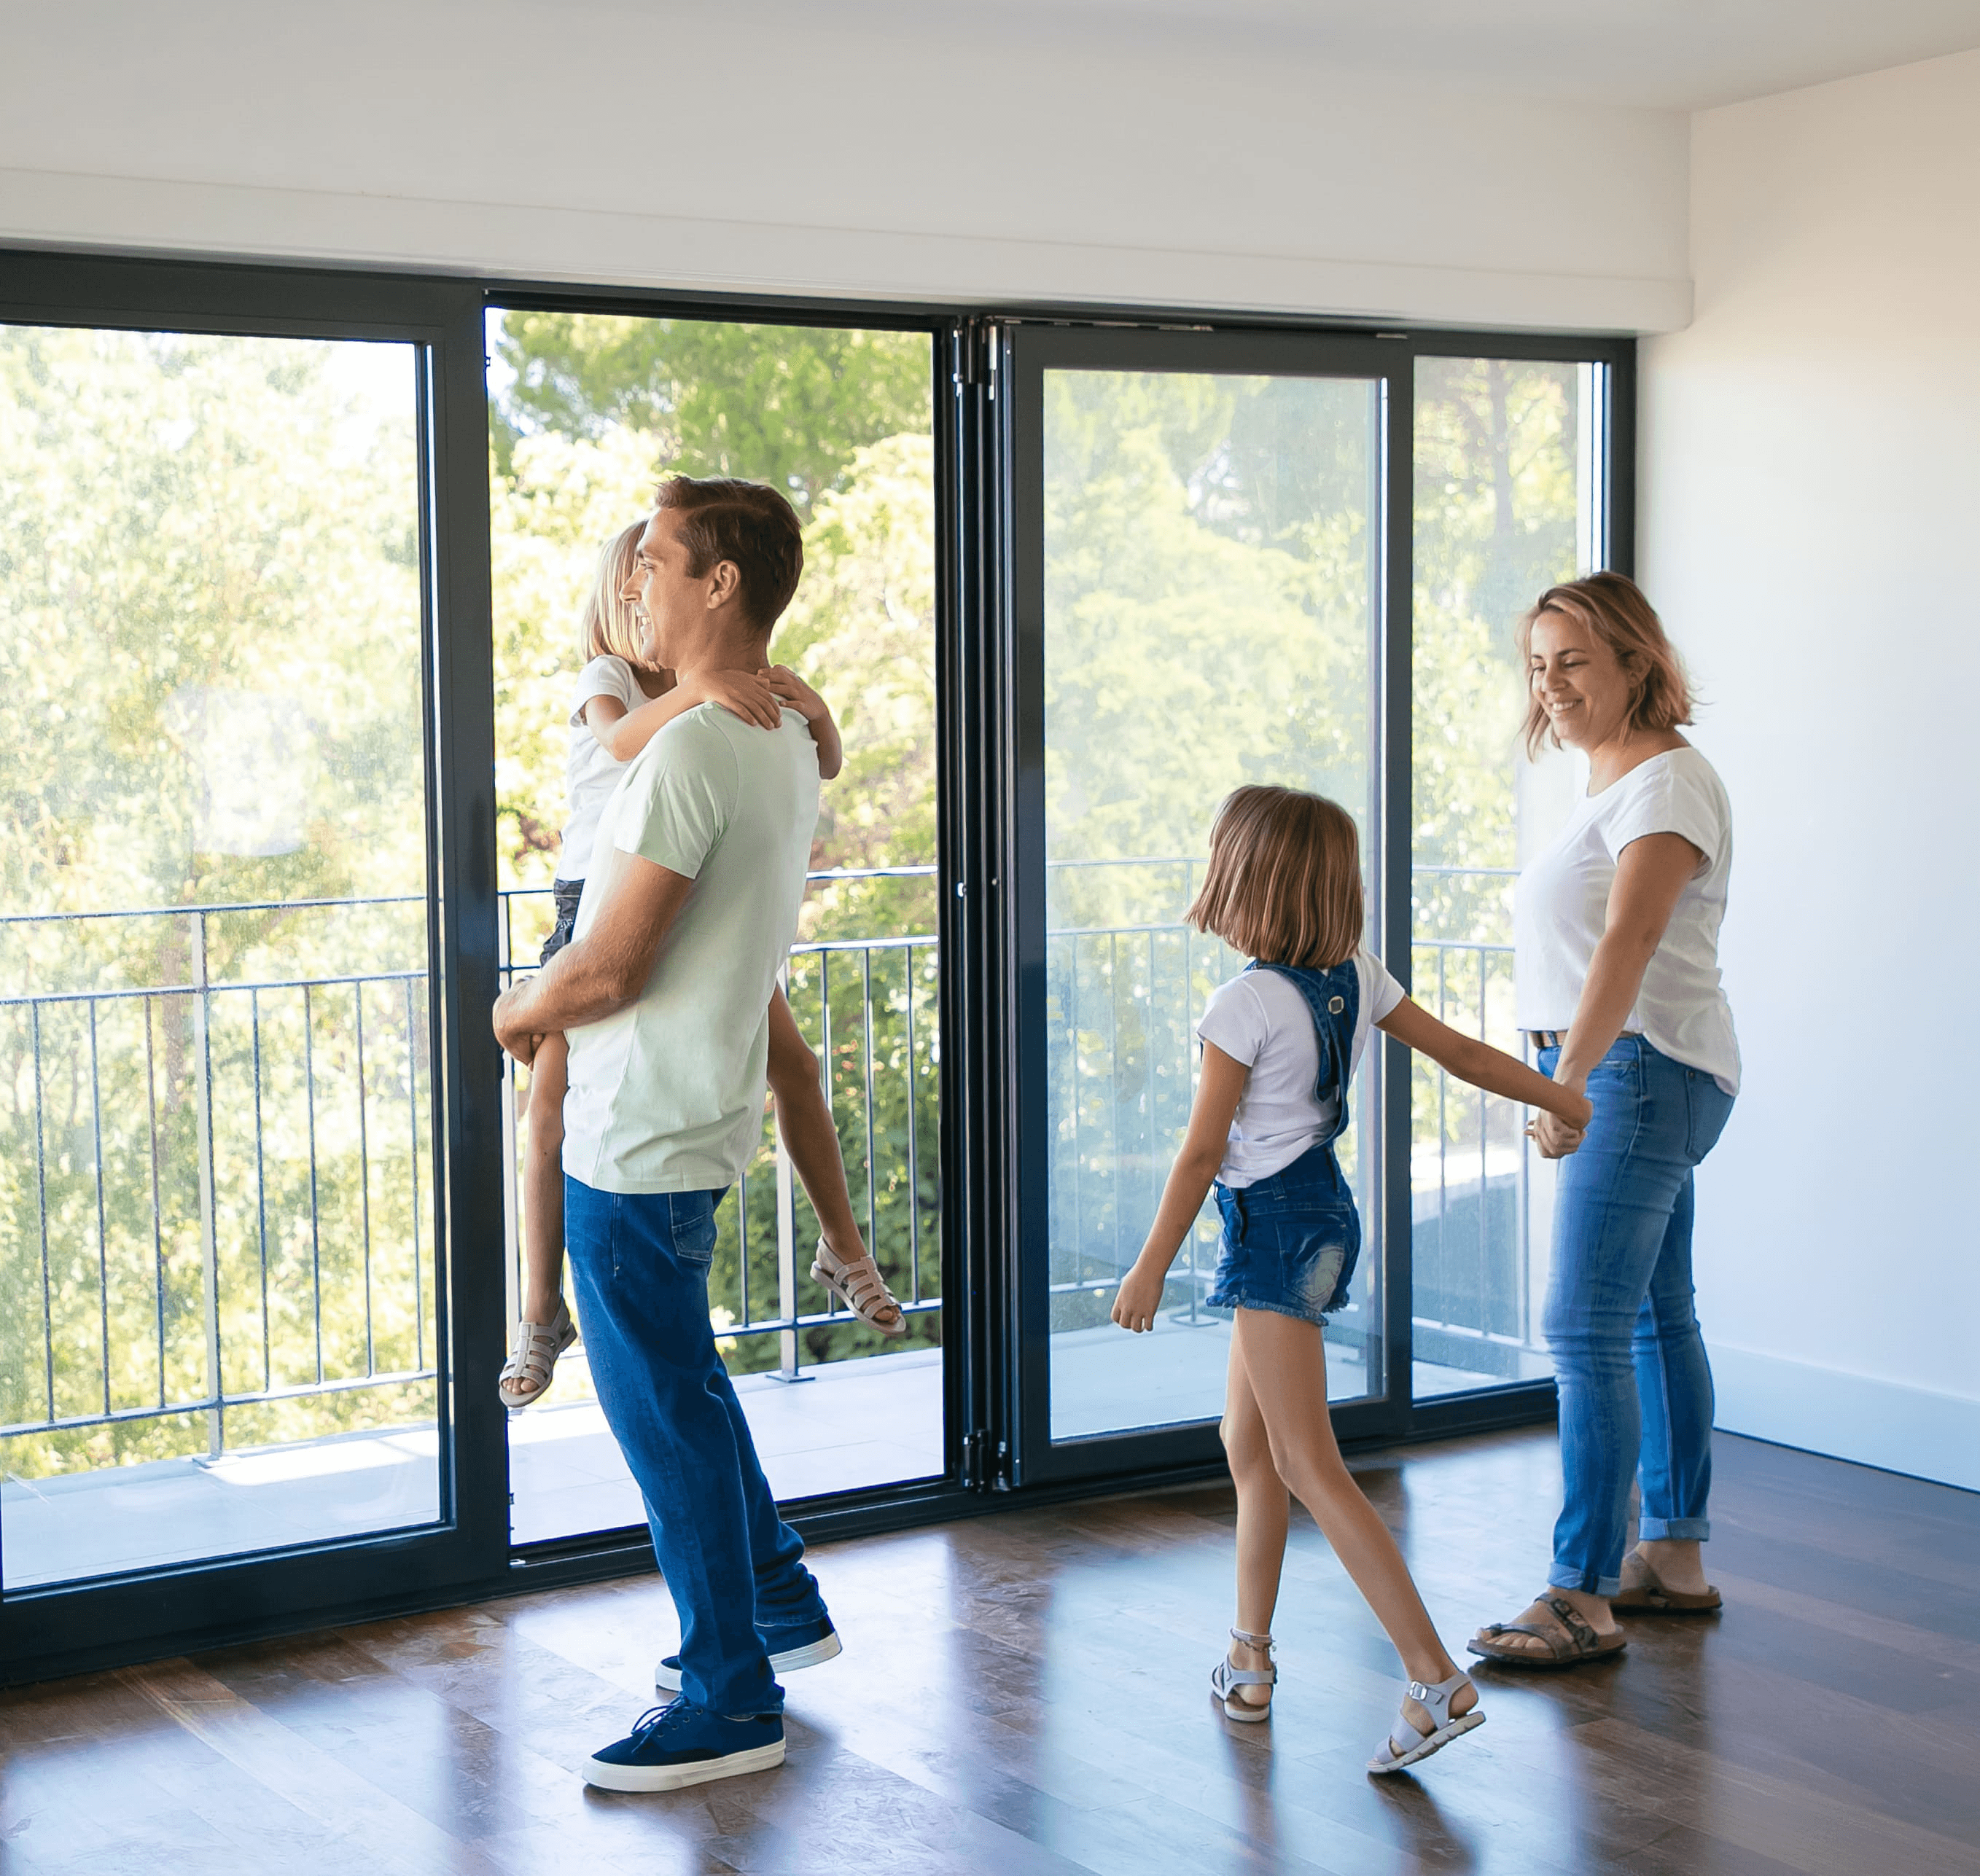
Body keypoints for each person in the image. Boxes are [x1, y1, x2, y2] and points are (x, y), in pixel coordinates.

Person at [1110, 785, 1593, 1774]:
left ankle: (1433, 1677)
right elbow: (1458, 1051)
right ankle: (1249, 1659)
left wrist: (1150, 1263)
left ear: (1246, 877)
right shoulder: (1353, 976)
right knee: (1249, 1443)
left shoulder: (1240, 1003)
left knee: (1308, 1464)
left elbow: (1203, 1154)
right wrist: (1557, 1094)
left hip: (1271, 1233)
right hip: (1326, 1215)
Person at [492, 476, 846, 1794]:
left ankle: (726, 1689)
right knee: (684, 1386)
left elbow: (607, 968)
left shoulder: (696, 746)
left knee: (662, 1416)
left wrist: (513, 1008)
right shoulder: (782, 741)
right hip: (693, 1108)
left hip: (633, 1129)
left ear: (718, 586)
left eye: (658, 560)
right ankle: (771, 1604)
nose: (635, 580)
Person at [499, 522, 905, 1412]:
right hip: (592, 910)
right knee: (548, 1108)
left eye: (656, 575)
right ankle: (538, 1310)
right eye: (636, 577)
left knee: (795, 1070)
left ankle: (843, 1245)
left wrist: (816, 710)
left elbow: (823, 763)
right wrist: (702, 688)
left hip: (694, 910)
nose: (646, 593)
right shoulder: (614, 681)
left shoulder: (732, 697)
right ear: (618, 595)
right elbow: (618, 745)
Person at [1470, 571, 1739, 1670]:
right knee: (1654, 1315)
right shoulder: (1615, 782)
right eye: (1540, 663)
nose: (1553, 682)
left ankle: (1581, 1588)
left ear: (1637, 660)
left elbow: (1626, 942)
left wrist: (1566, 1080)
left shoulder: (1667, 783)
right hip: (1644, 1069)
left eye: (1574, 659)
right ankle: (1672, 1556)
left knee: (1585, 1325)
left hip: (1632, 1069)